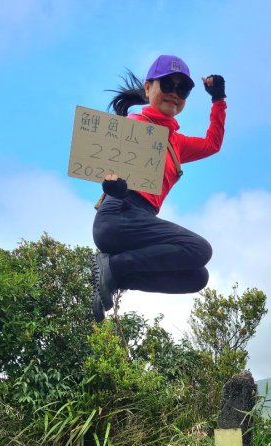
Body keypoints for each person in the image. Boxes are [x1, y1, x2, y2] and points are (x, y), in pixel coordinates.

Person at [92, 54, 226, 322]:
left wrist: (218, 100)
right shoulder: (133, 127)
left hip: (141, 221)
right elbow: (106, 169)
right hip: (119, 215)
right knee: (200, 250)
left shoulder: (175, 141)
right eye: (167, 85)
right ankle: (113, 267)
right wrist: (112, 184)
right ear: (148, 88)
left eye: (183, 89)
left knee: (196, 277)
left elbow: (212, 144)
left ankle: (116, 276)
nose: (174, 94)